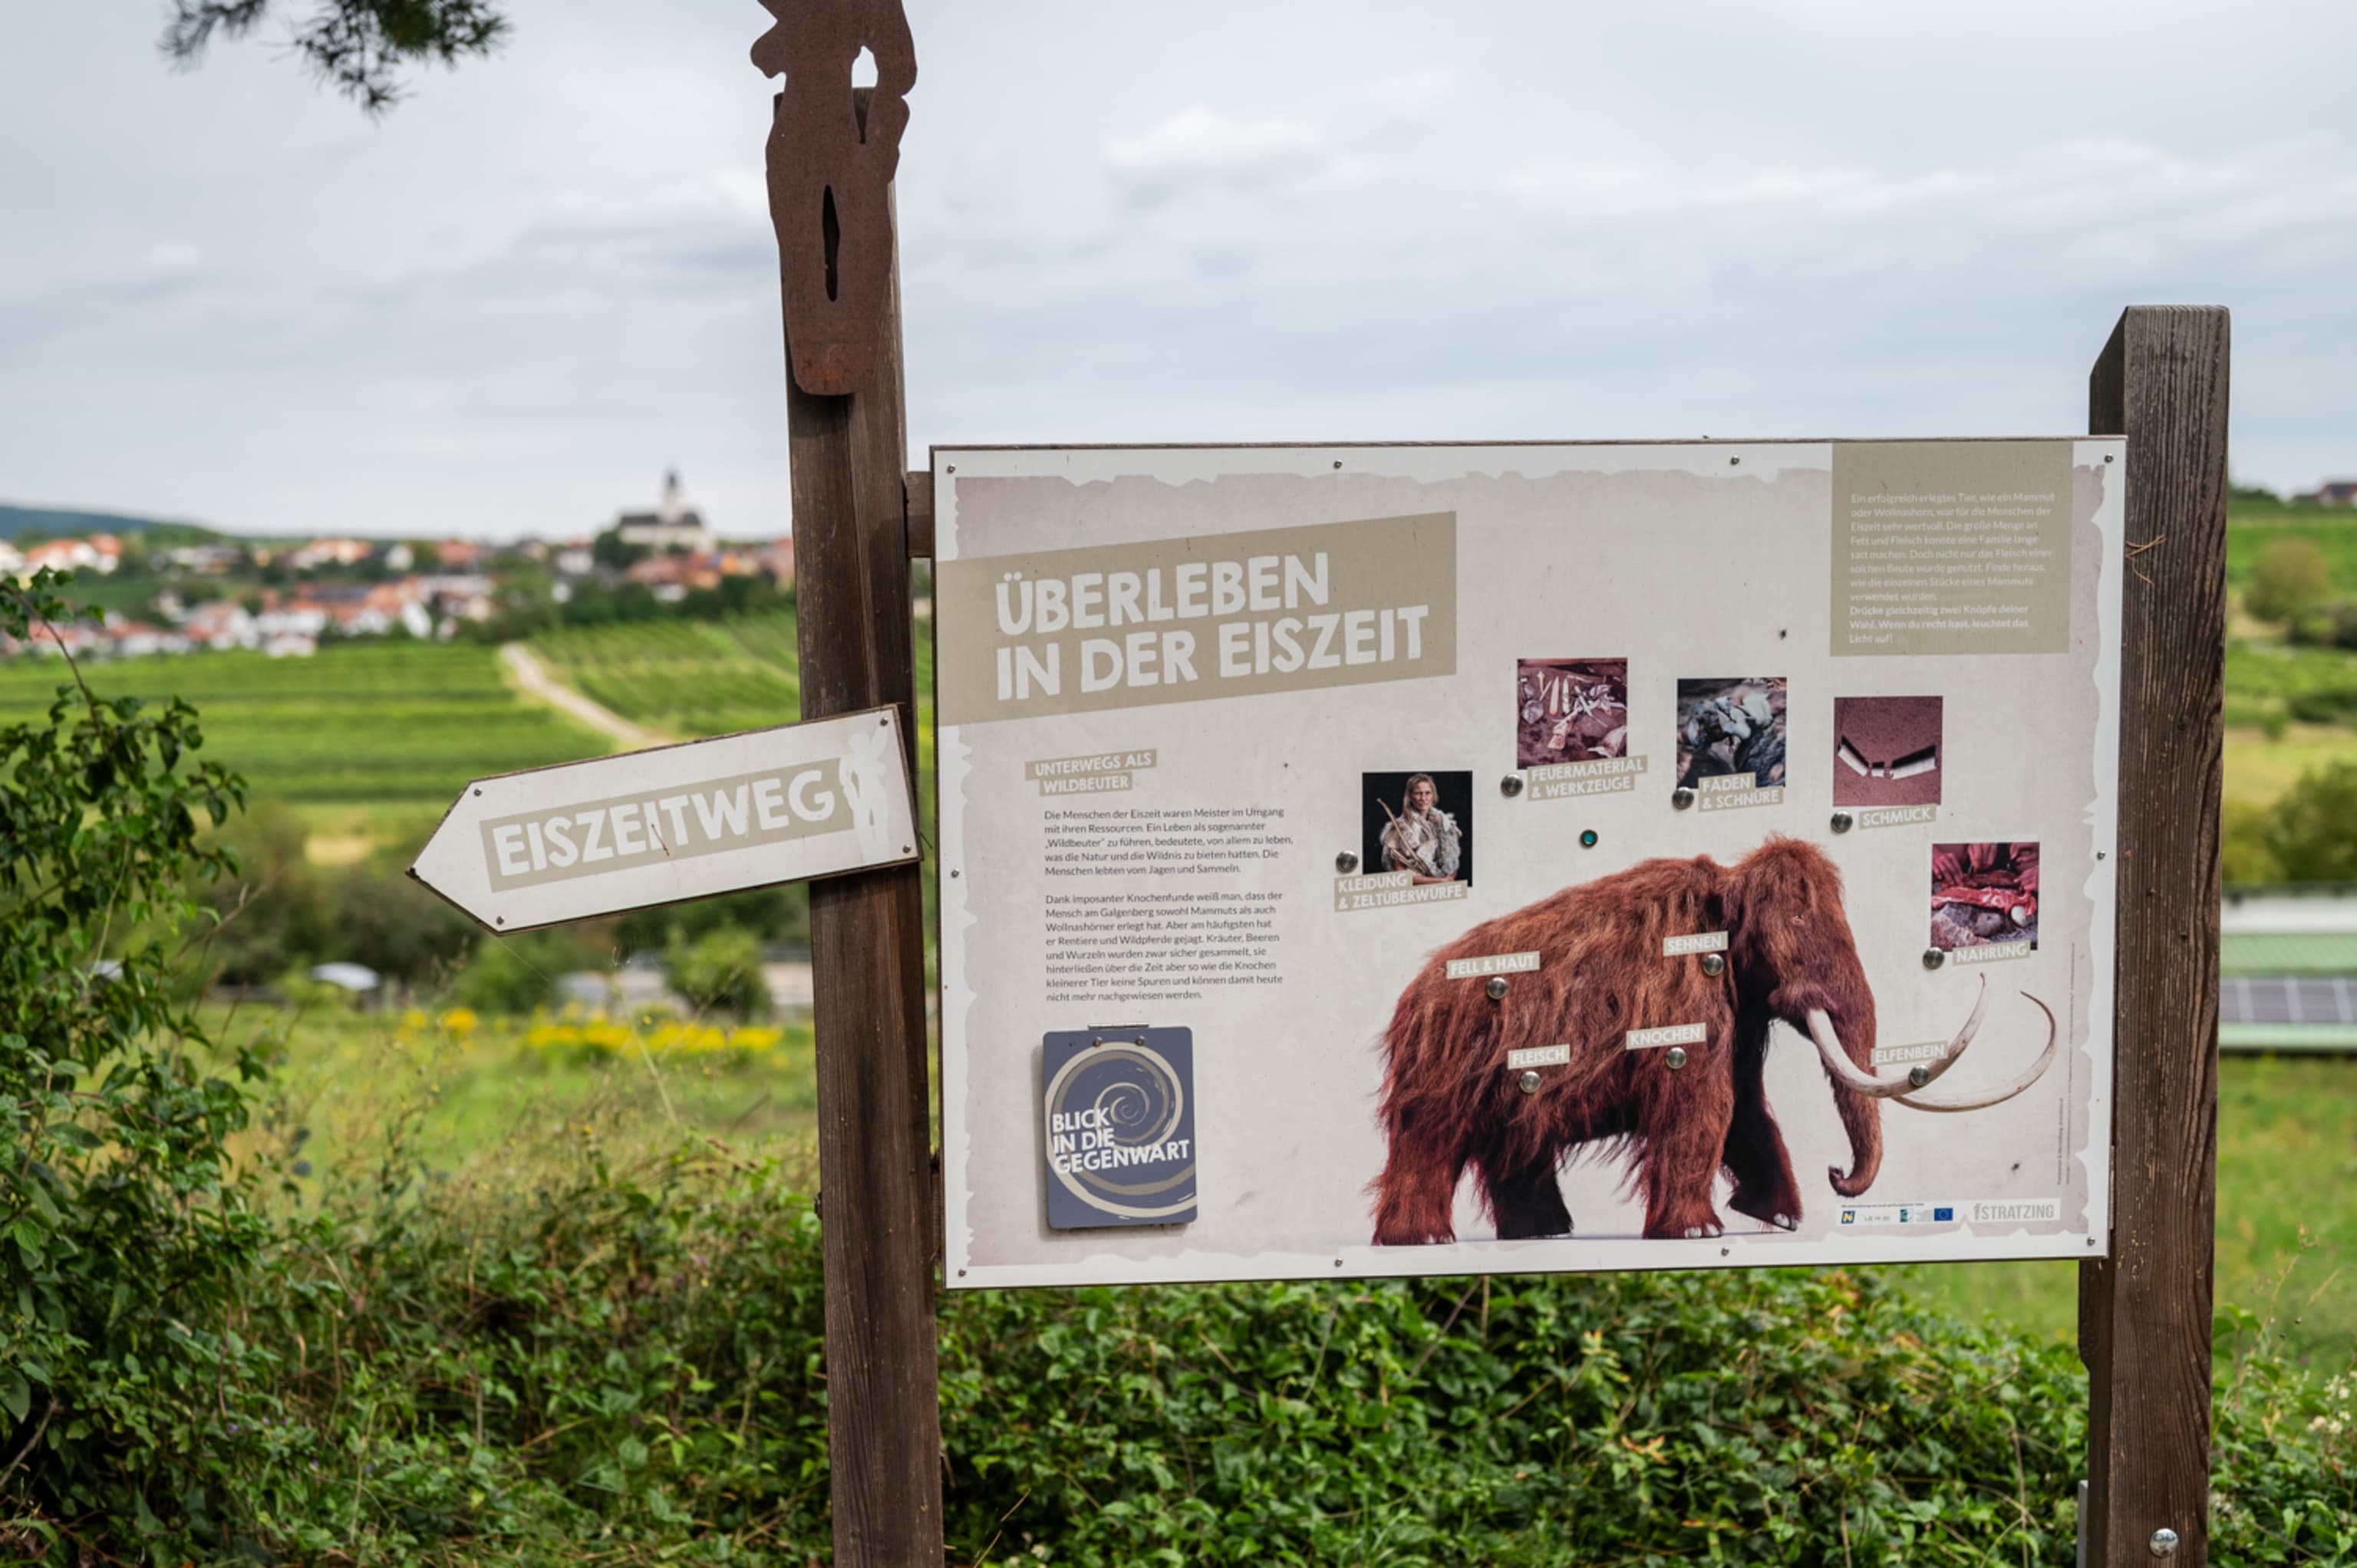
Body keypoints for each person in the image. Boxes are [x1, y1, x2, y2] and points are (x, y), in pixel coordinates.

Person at [1380, 773, 1462, 884]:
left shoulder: (1444, 824)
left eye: (1428, 793)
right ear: (1410, 796)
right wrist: (1438, 881)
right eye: (1418, 793)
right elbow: (1400, 873)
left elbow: (1452, 861)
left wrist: (1448, 878)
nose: (1423, 798)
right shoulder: (1401, 828)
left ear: (1434, 795)